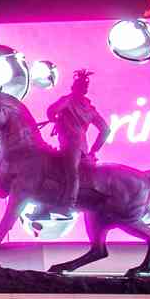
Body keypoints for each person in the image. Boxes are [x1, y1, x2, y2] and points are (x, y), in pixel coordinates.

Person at [47, 69, 107, 208]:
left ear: (74, 87)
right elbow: (105, 130)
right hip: (82, 147)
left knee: (71, 172)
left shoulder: (68, 100)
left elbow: (51, 110)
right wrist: (93, 150)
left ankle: (68, 204)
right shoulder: (90, 109)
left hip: (69, 143)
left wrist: (55, 119)